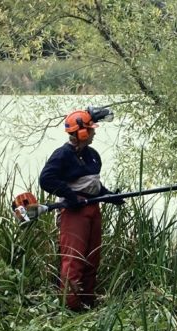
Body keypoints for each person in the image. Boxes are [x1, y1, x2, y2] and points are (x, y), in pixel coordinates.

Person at [38, 108, 124, 311]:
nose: (94, 132)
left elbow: (93, 186)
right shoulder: (62, 155)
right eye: (91, 129)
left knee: (92, 258)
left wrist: (110, 196)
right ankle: (70, 307)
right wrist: (70, 196)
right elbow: (46, 179)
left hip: (92, 208)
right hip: (74, 212)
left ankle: (87, 303)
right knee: (74, 259)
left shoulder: (92, 155)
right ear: (81, 133)